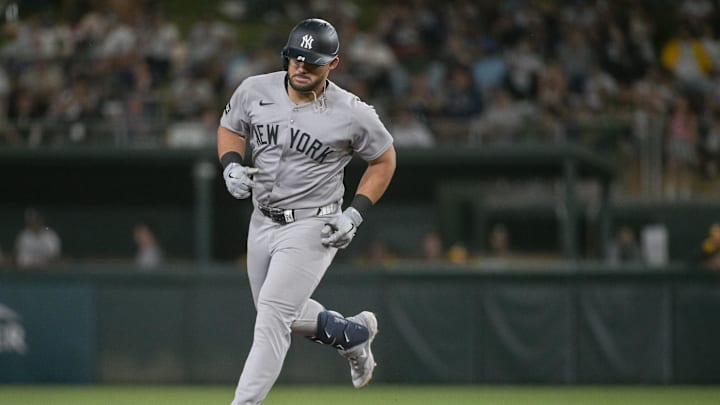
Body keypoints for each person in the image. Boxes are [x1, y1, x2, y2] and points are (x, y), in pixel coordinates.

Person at [216, 18, 396, 405]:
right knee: (282, 312)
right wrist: (230, 164)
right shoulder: (255, 89)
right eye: (295, 58)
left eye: (311, 61)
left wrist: (355, 213)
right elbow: (230, 126)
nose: (300, 67)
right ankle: (351, 334)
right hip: (262, 218)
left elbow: (384, 160)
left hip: (314, 223)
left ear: (333, 64)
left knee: (271, 320)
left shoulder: (352, 111)